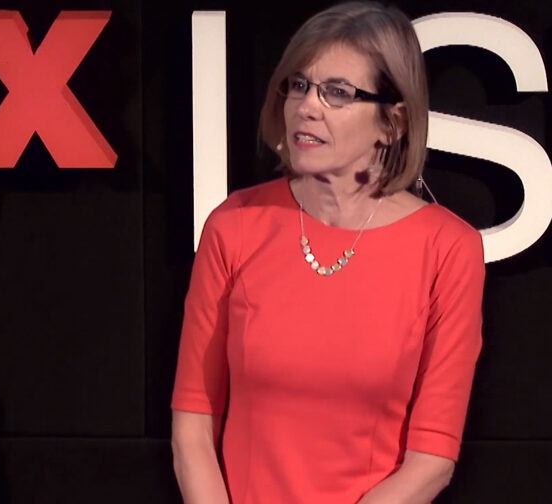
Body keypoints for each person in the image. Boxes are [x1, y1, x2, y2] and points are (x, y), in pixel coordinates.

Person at [171, 2, 485, 503]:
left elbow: (431, 461)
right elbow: (194, 422)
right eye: (298, 85)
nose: (307, 106)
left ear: (393, 122)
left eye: (337, 92)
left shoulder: (448, 249)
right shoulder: (233, 225)